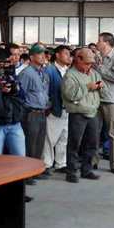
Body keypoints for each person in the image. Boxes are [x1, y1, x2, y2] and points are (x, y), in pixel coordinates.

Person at [62, 48, 102, 183]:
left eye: (91, 63)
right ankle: (71, 172)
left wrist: (100, 86)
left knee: (92, 143)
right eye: (86, 63)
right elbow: (70, 95)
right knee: (74, 144)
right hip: (78, 114)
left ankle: (87, 169)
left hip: (93, 112)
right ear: (78, 60)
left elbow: (102, 89)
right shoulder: (70, 75)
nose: (89, 66)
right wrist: (88, 87)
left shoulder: (94, 73)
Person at [18, 43, 50, 182]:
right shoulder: (26, 73)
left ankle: (36, 170)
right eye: (39, 54)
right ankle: (28, 173)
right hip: (30, 112)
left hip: (42, 112)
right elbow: (20, 94)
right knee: (30, 144)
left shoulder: (43, 73)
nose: (43, 56)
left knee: (39, 143)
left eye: (44, 54)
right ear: (31, 57)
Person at [94, 33, 114, 174]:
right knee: (94, 131)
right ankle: (93, 161)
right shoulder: (98, 57)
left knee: (112, 133)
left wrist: (100, 68)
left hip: (111, 100)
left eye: (99, 41)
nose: (97, 43)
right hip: (96, 98)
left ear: (106, 43)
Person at [0, 49, 26, 157]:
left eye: (7, 63)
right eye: (2, 63)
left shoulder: (11, 75)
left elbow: (23, 96)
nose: (5, 66)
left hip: (15, 122)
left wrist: (14, 89)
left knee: (20, 158)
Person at [42, 45, 71, 176]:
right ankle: (47, 164)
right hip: (55, 109)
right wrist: (49, 107)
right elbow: (45, 91)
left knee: (63, 137)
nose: (68, 56)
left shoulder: (68, 70)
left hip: (67, 109)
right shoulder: (50, 70)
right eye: (65, 53)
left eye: (69, 54)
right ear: (58, 55)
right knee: (49, 138)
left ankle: (61, 163)